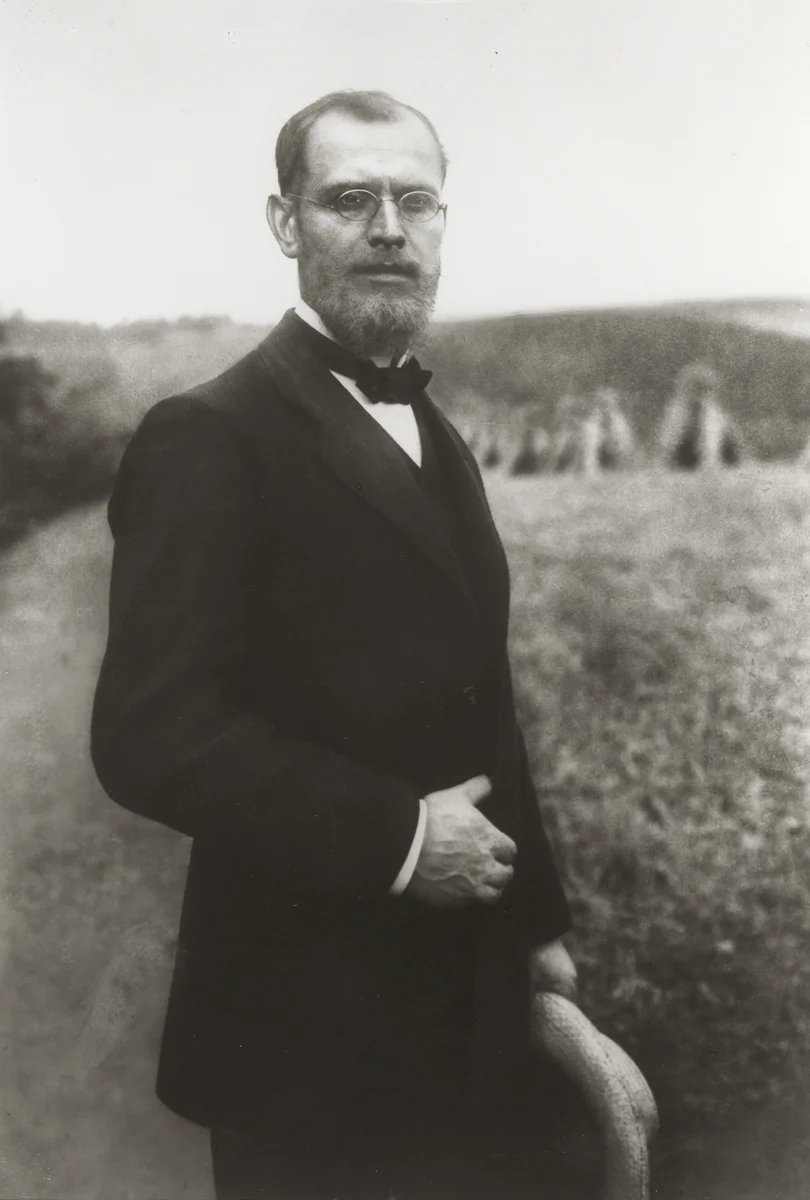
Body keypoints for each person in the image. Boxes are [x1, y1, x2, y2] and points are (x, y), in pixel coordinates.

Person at [91, 90, 584, 1199]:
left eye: (416, 201)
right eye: (350, 199)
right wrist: (400, 839)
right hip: (302, 1045)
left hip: (469, 1015)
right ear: (285, 224)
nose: (389, 229)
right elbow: (150, 732)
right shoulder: (207, 435)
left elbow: (483, 699)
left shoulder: (438, 437)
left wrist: (537, 922)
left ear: (444, 224)